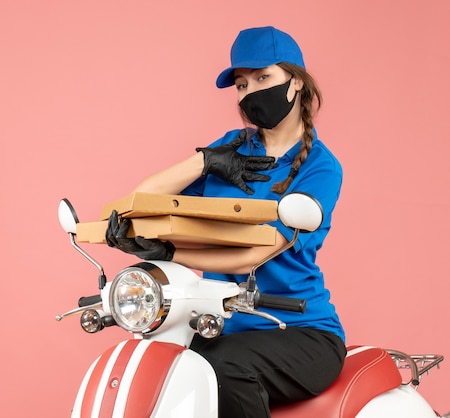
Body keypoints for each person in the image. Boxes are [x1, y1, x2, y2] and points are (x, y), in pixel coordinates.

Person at [105, 26, 346, 418]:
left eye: (263, 78)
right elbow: (143, 200)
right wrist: (205, 160)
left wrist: (170, 251)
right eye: (241, 84)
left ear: (296, 81)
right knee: (161, 367)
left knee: (223, 368)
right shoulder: (232, 148)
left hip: (300, 331)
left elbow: (255, 256)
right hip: (220, 327)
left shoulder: (320, 167)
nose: (250, 92)